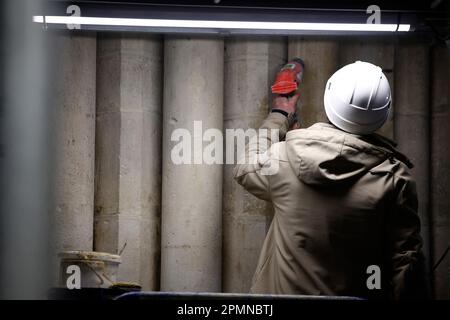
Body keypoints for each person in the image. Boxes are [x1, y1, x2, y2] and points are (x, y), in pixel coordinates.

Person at [233, 61, 428, 299]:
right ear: (383, 114)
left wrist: (280, 114)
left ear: (329, 99)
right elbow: (406, 263)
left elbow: (245, 167)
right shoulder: (396, 180)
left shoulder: (285, 159)